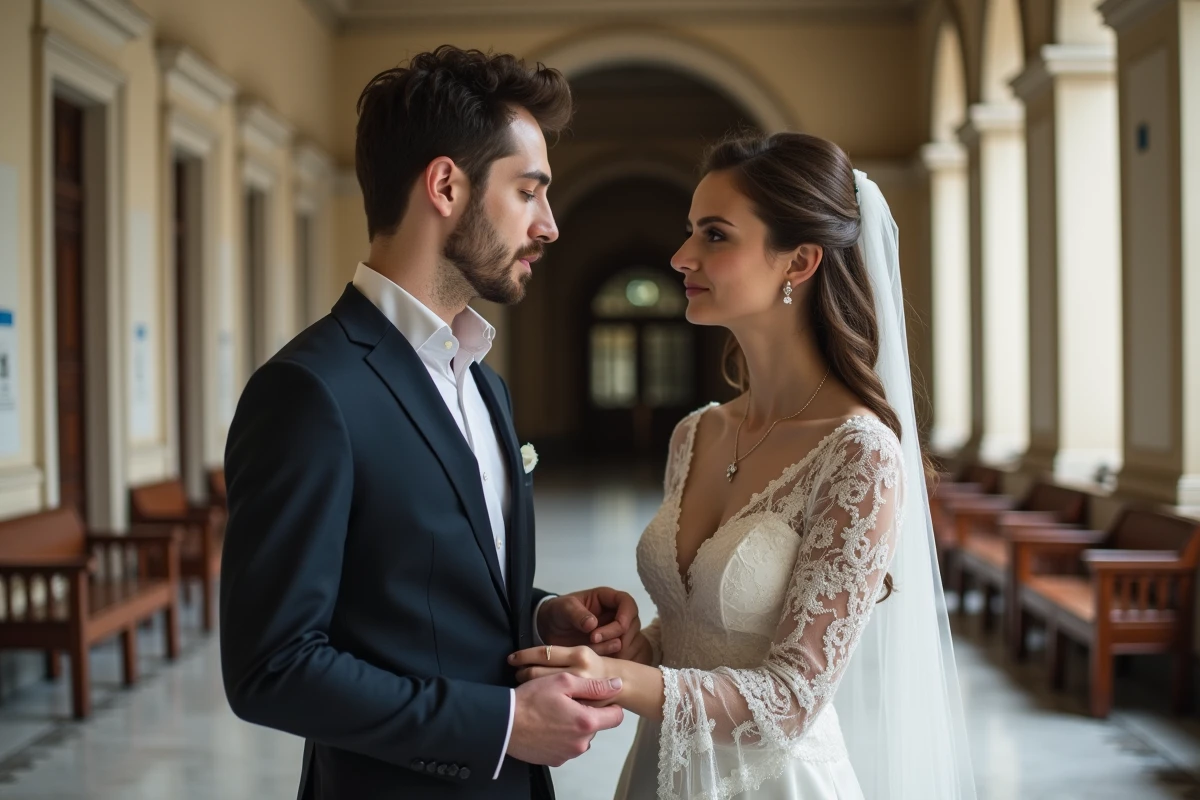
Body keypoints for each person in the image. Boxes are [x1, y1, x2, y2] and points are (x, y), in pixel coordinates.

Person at [219, 46, 642, 800]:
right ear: (446, 184)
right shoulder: (309, 392)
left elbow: (423, 585)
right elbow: (271, 668)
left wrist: (541, 615)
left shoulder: (486, 384)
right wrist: (502, 725)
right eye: (529, 192)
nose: (549, 225)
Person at [509, 133, 977, 799]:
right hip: (660, 770)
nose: (681, 255)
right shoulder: (697, 433)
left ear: (800, 261)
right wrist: (631, 646)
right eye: (689, 231)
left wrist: (613, 681)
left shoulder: (859, 454)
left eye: (715, 235)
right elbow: (697, 639)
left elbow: (790, 698)